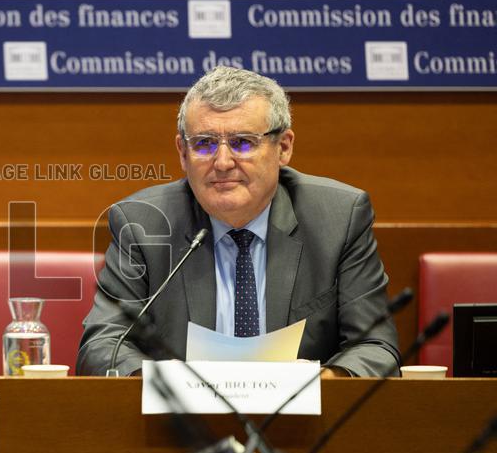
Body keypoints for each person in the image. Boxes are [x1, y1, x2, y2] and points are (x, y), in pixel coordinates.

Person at [78, 66, 400, 378]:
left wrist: (312, 387)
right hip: (181, 414)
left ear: (283, 147)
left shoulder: (338, 218)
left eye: (243, 142)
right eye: (204, 143)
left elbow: (375, 348)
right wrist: (170, 387)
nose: (222, 162)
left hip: (301, 413)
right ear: (183, 153)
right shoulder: (144, 223)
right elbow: (103, 345)